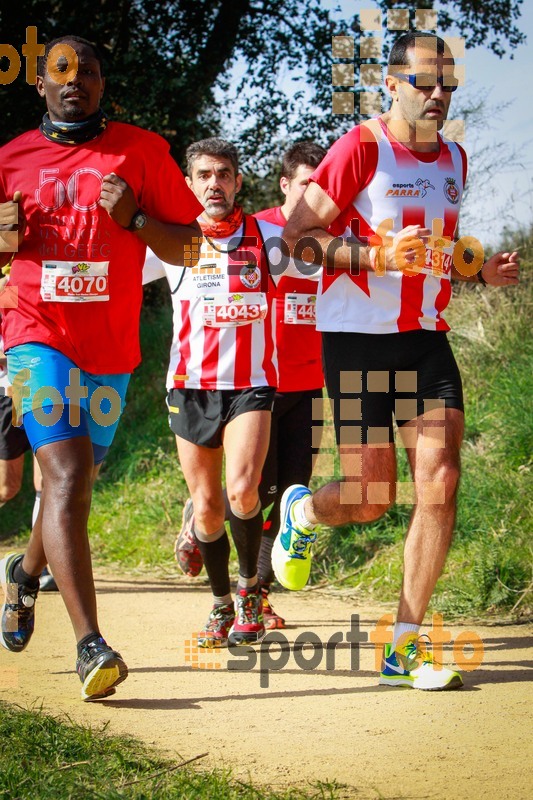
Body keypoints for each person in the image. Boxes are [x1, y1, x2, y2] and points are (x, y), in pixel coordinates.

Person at [272, 31, 520, 690]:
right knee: (370, 496)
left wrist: (477, 269)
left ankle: (403, 645)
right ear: (391, 84)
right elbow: (298, 241)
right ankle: (300, 515)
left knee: (439, 481)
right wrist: (375, 257)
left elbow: (435, 249)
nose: (437, 95)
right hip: (356, 340)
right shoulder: (359, 149)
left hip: (425, 339)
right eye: (423, 82)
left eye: (446, 85)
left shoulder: (454, 160)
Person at [0, 35, 202, 701]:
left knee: (76, 484)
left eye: (86, 70)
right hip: (33, 338)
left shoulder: (141, 152)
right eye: (60, 69)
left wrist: (136, 218)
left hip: (109, 351)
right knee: (62, 472)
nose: (74, 80)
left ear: (101, 82)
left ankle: (24, 575)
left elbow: (191, 247)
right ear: (38, 83)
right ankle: (92, 644)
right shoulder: (9, 160)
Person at [144, 137, 314, 647]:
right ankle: (220, 603)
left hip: (252, 386)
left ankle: (249, 593)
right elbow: (110, 272)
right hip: (191, 387)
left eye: (224, 174)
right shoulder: (175, 243)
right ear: (189, 184)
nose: (214, 183)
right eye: (204, 175)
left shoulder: (267, 236)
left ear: (238, 182)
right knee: (207, 506)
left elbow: (325, 271)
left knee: (243, 490)